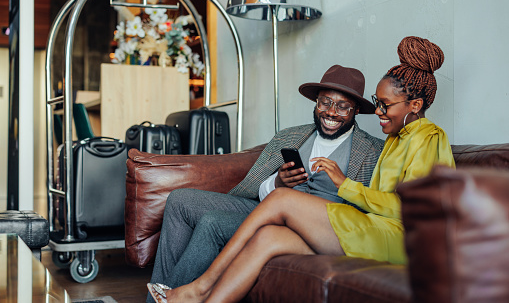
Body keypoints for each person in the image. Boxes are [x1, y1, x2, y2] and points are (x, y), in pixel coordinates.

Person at [147, 36, 456, 303]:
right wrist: (277, 182)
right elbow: (246, 189)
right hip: (314, 221)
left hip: (387, 238)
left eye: (383, 105)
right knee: (265, 235)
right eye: (377, 102)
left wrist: (343, 184)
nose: (378, 111)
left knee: (259, 210)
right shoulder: (395, 138)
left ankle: (199, 288)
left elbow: (412, 212)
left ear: (414, 106)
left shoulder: (423, 139)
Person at [146, 65, 385, 302]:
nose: (331, 112)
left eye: (343, 106)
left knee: (213, 223)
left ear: (355, 111)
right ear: (316, 103)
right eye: (325, 102)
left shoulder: (372, 151)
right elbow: (253, 190)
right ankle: (162, 294)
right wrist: (278, 183)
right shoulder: (290, 136)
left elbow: (367, 214)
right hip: (266, 210)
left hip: (316, 226)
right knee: (179, 200)